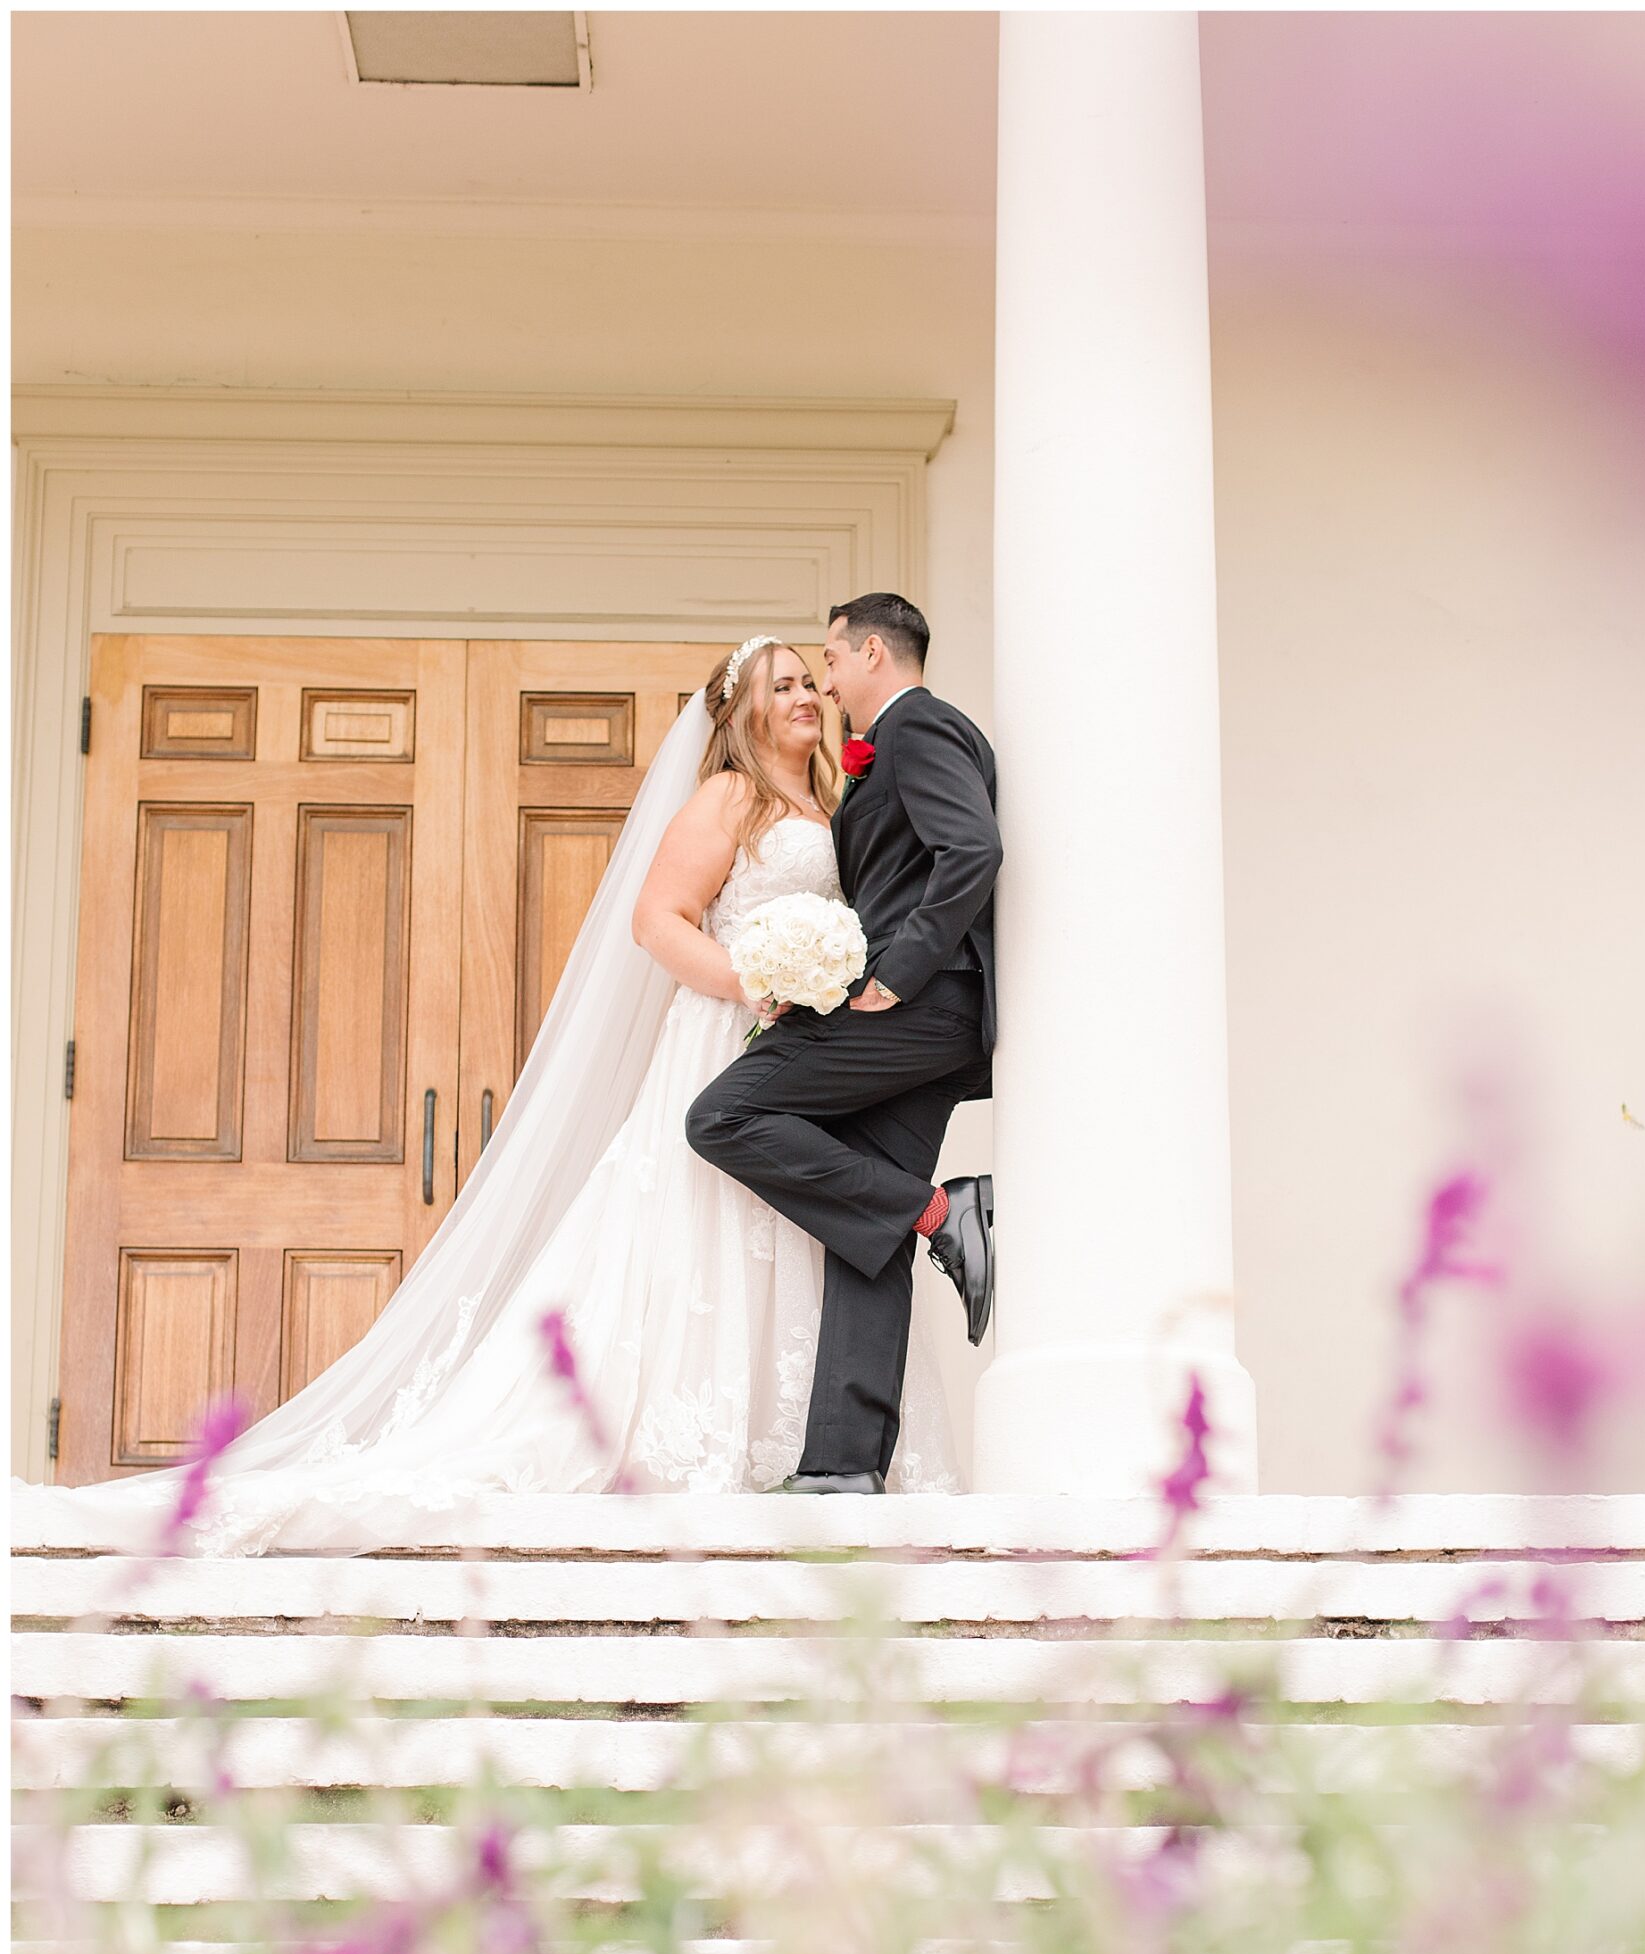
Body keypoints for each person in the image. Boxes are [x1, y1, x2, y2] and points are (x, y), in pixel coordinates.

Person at [25, 638, 959, 1556]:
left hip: (809, 1048)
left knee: (799, 1228)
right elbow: (655, 920)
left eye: (809, 681)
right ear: (741, 711)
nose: (804, 696)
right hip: (730, 1033)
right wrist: (746, 980)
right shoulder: (729, 798)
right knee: (706, 1225)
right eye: (781, 685)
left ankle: (810, 1443)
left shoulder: (834, 796)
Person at [686, 593, 999, 1495]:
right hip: (923, 1018)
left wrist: (899, 972)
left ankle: (942, 1212)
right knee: (873, 1222)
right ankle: (843, 1465)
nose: (823, 681)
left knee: (725, 1114)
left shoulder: (920, 727)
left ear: (870, 652)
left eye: (826, 659)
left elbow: (970, 852)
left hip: (918, 1009)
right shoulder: (875, 758)